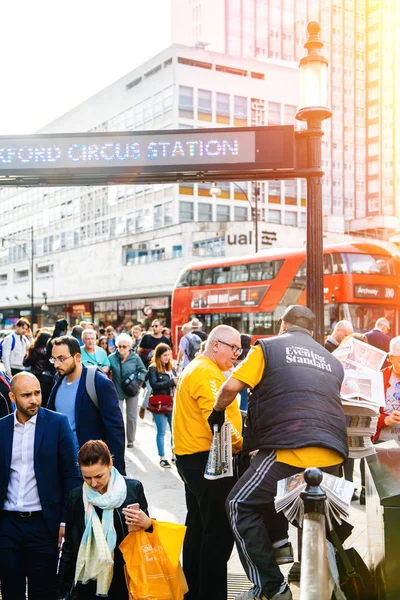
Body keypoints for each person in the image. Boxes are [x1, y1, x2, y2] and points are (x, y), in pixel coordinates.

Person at [210, 305, 348, 600]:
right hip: (334, 452)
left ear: (282, 326)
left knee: (239, 503)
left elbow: (230, 387)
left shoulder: (269, 348)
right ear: (312, 332)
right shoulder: (332, 361)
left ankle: (271, 587)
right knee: (316, 517)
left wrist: (216, 412)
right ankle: (287, 550)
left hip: (290, 447)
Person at [173, 325, 243, 600]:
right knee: (218, 533)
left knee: (199, 527)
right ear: (216, 345)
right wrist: (242, 443)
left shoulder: (197, 368)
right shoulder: (205, 372)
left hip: (192, 458)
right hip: (208, 462)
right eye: (233, 348)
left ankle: (193, 590)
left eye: (239, 349)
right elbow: (217, 419)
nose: (237, 354)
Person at [0, 372, 81, 599]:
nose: (34, 399)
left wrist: (65, 519)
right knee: (11, 591)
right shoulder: (2, 428)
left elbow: (71, 475)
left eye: (37, 393)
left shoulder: (57, 423)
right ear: (12, 397)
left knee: (43, 592)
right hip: (8, 525)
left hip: (44, 525)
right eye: (26, 395)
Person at [57, 440, 152, 600]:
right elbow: (71, 545)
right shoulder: (76, 497)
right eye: (87, 477)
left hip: (126, 577)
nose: (94, 483)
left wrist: (148, 524)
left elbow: (148, 539)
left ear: (109, 465)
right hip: (89, 579)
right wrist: (62, 587)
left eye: (99, 476)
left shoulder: (132, 489)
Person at [47, 336, 126, 475]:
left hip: (91, 468)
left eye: (61, 358)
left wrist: (116, 472)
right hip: (64, 467)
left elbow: (115, 430)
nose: (56, 364)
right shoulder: (58, 380)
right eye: (54, 359)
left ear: (77, 357)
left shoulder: (99, 383)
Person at [108, 334, 147, 449]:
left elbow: (143, 370)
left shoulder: (135, 357)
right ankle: (119, 439)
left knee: (131, 417)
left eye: (124, 346)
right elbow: (105, 370)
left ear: (129, 346)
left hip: (132, 391)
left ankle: (130, 440)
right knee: (118, 417)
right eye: (119, 346)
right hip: (117, 391)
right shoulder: (111, 358)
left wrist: (139, 382)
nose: (121, 349)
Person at [148, 343, 178, 468]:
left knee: (174, 431)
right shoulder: (153, 368)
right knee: (161, 431)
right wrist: (172, 381)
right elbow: (154, 385)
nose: (167, 358)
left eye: (169, 355)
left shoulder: (171, 367)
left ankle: (174, 454)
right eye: (165, 355)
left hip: (172, 402)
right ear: (158, 356)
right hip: (159, 403)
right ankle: (162, 457)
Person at [235, 333, 252, 412]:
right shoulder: (251, 352)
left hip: (235, 377)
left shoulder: (237, 352)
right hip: (246, 378)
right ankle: (243, 412)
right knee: (244, 398)